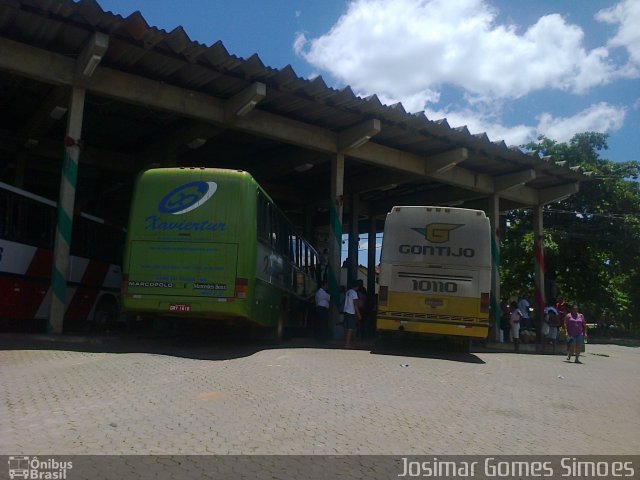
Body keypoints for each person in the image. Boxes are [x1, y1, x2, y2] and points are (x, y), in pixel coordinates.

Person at [343, 280, 362, 349]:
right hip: (351, 312)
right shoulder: (354, 293)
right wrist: (359, 314)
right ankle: (347, 344)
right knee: (350, 329)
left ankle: (347, 342)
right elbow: (355, 305)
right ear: (357, 286)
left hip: (346, 311)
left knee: (347, 328)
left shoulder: (348, 292)